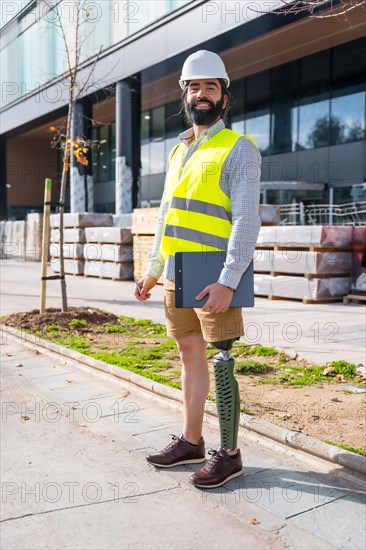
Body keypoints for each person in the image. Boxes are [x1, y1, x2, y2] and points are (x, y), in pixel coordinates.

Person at [134, 50, 261, 489]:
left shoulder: (238, 148)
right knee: (189, 353)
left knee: (223, 360)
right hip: (178, 271)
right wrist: (154, 269)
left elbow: (247, 219)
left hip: (215, 271)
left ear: (224, 96)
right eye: (194, 86)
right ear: (184, 95)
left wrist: (229, 279)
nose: (201, 93)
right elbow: (168, 214)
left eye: (210, 86)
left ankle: (230, 455)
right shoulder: (179, 150)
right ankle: (192, 442)